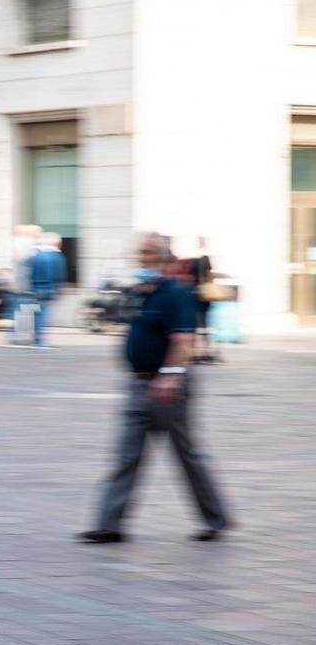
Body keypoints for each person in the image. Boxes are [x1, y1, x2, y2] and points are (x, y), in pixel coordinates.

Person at [79, 233, 232, 544]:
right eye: (140, 253)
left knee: (186, 455)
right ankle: (109, 524)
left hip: (168, 388)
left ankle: (215, 519)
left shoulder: (176, 293)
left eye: (149, 253)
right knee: (126, 456)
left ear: (163, 257)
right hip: (138, 384)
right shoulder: (140, 292)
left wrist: (171, 376)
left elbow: (183, 340)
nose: (143, 258)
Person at [27, 232, 67, 347]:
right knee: (44, 315)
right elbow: (59, 276)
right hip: (49, 289)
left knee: (37, 315)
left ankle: (35, 338)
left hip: (36, 288)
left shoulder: (35, 255)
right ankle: (38, 340)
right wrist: (57, 292)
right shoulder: (57, 256)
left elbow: (30, 273)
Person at [190, 237, 218, 364]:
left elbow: (190, 278)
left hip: (195, 294)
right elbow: (210, 276)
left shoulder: (194, 261)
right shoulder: (206, 259)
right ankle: (205, 352)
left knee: (195, 325)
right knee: (205, 324)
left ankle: (195, 352)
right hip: (204, 295)